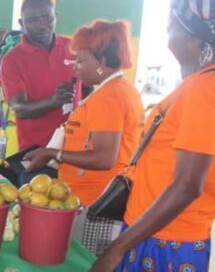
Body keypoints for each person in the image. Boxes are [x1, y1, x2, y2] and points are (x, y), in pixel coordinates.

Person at [81, 0, 215, 272]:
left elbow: (186, 185)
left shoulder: (204, 89)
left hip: (170, 243)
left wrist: (120, 245)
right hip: (171, 236)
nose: (167, 34)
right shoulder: (206, 85)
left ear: (197, 37)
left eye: (173, 26)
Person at [24, 20, 142, 206]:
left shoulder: (108, 97)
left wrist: (54, 153)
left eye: (80, 61)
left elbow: (104, 158)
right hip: (91, 195)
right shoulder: (121, 89)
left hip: (93, 200)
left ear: (101, 62)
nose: (75, 68)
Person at [1, 0, 81, 159]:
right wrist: (54, 101)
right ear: (22, 23)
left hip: (74, 150)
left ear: (55, 16)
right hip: (36, 153)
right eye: (32, 20)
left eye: (47, 17)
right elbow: (19, 109)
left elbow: (89, 87)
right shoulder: (12, 60)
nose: (42, 25)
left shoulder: (75, 48)